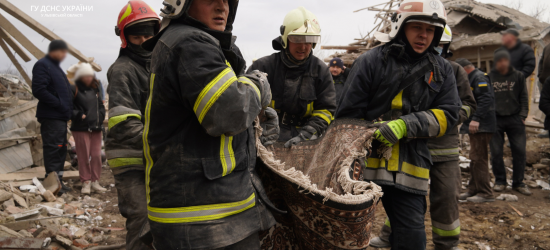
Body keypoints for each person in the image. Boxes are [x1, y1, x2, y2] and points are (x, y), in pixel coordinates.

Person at [142, 0, 278, 248]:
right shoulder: (191, 43)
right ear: (182, 4)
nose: (221, 7)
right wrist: (257, 85)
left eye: (226, 0)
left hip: (208, 210)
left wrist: (255, 125)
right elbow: (229, 112)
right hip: (203, 219)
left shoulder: (194, 42)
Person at [336, 0, 461, 248]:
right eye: (417, 27)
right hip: (363, 167)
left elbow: (449, 115)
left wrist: (406, 125)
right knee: (346, 236)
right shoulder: (370, 61)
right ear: (400, 26)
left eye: (431, 30)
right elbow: (347, 117)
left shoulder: (442, 70)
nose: (424, 35)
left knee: (412, 239)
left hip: (410, 168)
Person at [369, 25, 476, 250]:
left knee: (446, 198)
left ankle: (447, 244)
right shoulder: (407, 68)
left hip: (443, 149)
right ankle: (390, 235)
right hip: (411, 144)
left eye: (439, 45)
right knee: (402, 193)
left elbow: (468, 105)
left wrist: (447, 117)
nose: (432, 46)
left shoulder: (453, 70)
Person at [105, 1, 160, 249]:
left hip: (154, 155)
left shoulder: (158, 66)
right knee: (141, 218)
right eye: (136, 35)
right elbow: (123, 125)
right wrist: (167, 140)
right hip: (131, 160)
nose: (143, 40)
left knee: (162, 219)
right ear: (124, 37)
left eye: (148, 34)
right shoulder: (122, 70)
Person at [248, 7, 336, 148]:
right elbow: (247, 104)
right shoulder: (263, 67)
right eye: (297, 39)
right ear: (285, 39)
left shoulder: (321, 71)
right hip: (265, 137)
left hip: (305, 140)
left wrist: (307, 134)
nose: (303, 46)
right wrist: (260, 128)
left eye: (309, 40)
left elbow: (326, 110)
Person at [32, 40, 73, 195]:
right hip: (52, 116)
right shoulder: (43, 65)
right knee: (54, 149)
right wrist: (59, 104)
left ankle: (59, 182)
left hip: (60, 116)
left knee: (61, 149)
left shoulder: (56, 68)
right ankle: (52, 184)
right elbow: (39, 90)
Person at [489, 49, 531, 196]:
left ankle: (518, 182)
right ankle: (500, 181)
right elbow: (485, 98)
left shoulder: (518, 76)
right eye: (499, 60)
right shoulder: (489, 77)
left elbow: (524, 97)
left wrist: (523, 115)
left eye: (505, 60)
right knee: (496, 152)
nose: (502, 63)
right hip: (496, 119)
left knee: (519, 151)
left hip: (515, 118)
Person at [456, 58, 496, 203]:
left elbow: (486, 99)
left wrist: (476, 119)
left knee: (479, 158)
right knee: (474, 157)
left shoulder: (479, 77)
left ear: (464, 69)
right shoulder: (472, 78)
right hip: (477, 124)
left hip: (482, 125)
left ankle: (485, 192)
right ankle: (473, 189)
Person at [68, 63, 107, 195]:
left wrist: (101, 116)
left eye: (90, 75)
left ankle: (95, 181)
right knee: (83, 156)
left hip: (96, 126)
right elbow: (67, 107)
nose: (89, 78)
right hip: (81, 127)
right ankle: (86, 182)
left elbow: (101, 105)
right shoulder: (74, 88)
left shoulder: (96, 88)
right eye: (86, 76)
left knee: (96, 155)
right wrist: (78, 115)